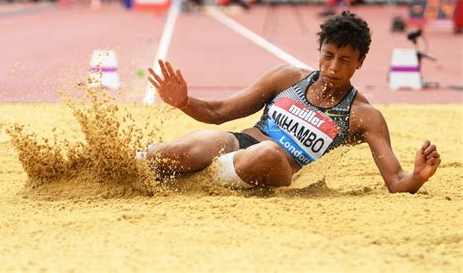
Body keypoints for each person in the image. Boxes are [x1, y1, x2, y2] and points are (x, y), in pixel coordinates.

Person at [143, 11, 441, 193]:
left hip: (283, 168)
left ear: (360, 62)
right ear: (319, 50)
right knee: (190, 147)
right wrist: (183, 101)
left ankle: (195, 178)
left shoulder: (364, 116)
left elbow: (396, 181)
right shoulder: (288, 77)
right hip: (241, 143)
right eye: (328, 56)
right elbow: (218, 112)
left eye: (344, 60)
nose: (333, 68)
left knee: (269, 153)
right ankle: (132, 166)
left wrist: (417, 177)